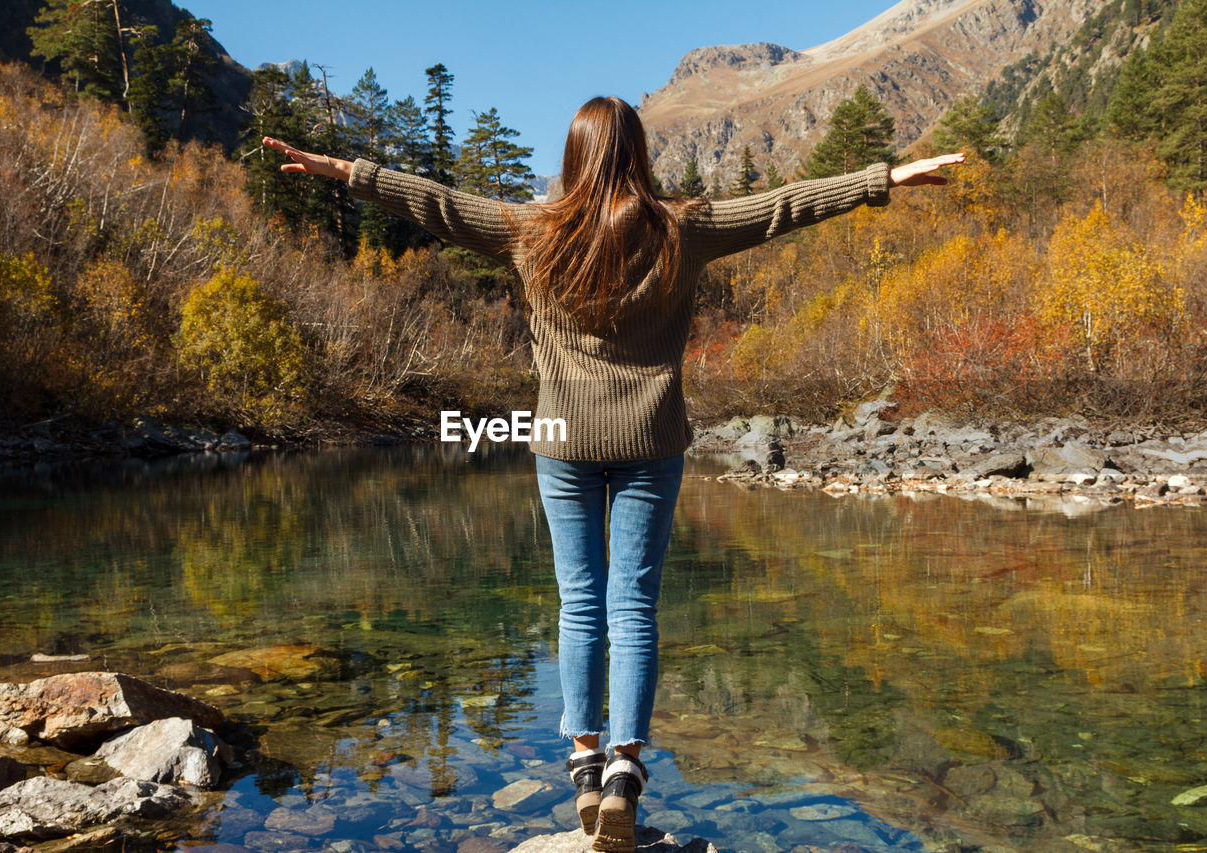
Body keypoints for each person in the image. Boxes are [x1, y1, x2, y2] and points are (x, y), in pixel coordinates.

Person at [264, 96, 961, 852]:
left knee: (579, 600)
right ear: (637, 152)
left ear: (574, 155)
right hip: (651, 439)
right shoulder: (681, 228)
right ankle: (626, 771)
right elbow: (785, 206)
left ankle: (583, 763)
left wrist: (348, 171)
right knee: (632, 603)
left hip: (563, 440)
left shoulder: (531, 231)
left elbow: (433, 202)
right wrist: (886, 176)